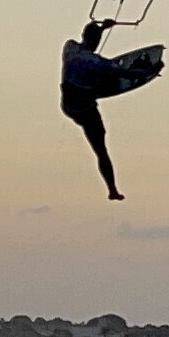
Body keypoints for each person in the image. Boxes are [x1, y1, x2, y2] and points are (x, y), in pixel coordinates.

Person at [61, 18, 127, 200]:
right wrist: (149, 71)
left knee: (86, 78)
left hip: (67, 105)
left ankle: (91, 85)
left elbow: (89, 39)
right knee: (101, 151)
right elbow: (126, 73)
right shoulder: (97, 63)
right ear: (97, 41)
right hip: (85, 110)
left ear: (83, 35)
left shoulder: (69, 47)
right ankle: (112, 190)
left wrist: (102, 28)